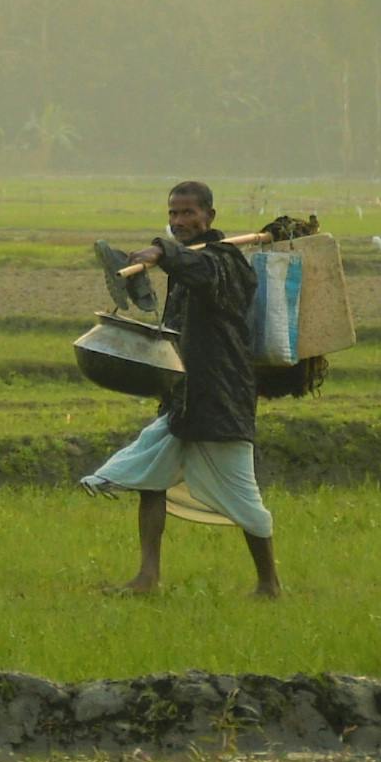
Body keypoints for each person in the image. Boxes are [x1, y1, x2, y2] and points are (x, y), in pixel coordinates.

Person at [81, 179, 280, 597]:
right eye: (173, 214)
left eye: (188, 213)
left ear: (210, 216)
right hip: (182, 396)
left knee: (245, 499)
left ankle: (269, 584)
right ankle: (147, 577)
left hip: (221, 396)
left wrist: (159, 250)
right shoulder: (185, 260)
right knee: (151, 477)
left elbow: (201, 273)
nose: (180, 221)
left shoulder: (225, 263)